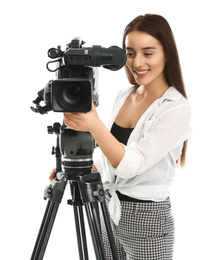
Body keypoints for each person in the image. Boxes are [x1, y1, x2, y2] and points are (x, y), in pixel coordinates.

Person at [50, 14, 191, 260]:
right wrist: (77, 167)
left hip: (148, 220)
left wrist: (93, 125)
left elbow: (132, 165)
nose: (137, 62)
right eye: (130, 53)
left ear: (167, 53)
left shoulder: (176, 108)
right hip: (106, 206)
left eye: (148, 53)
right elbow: (110, 159)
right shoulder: (124, 95)